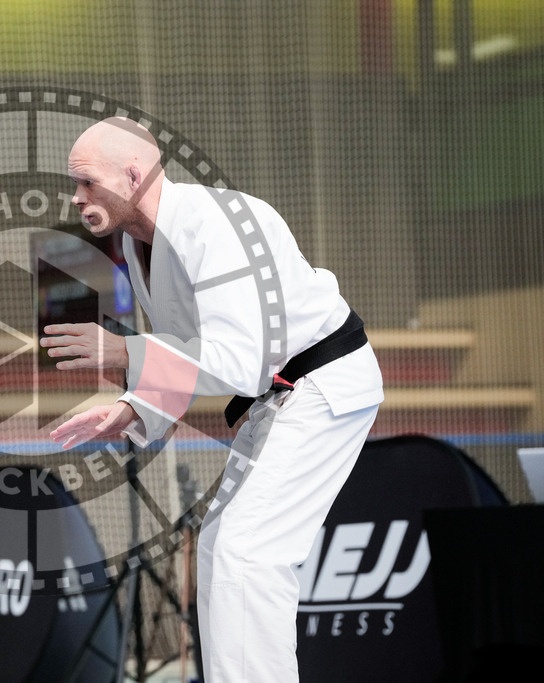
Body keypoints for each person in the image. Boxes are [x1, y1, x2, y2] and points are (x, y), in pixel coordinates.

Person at [40, 118, 383, 682]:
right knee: (223, 553)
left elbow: (241, 359)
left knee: (248, 555)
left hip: (322, 383)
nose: (76, 197)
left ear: (133, 175)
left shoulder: (217, 224)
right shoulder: (138, 240)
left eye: (87, 183)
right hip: (277, 397)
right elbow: (188, 349)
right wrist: (133, 409)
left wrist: (125, 353)